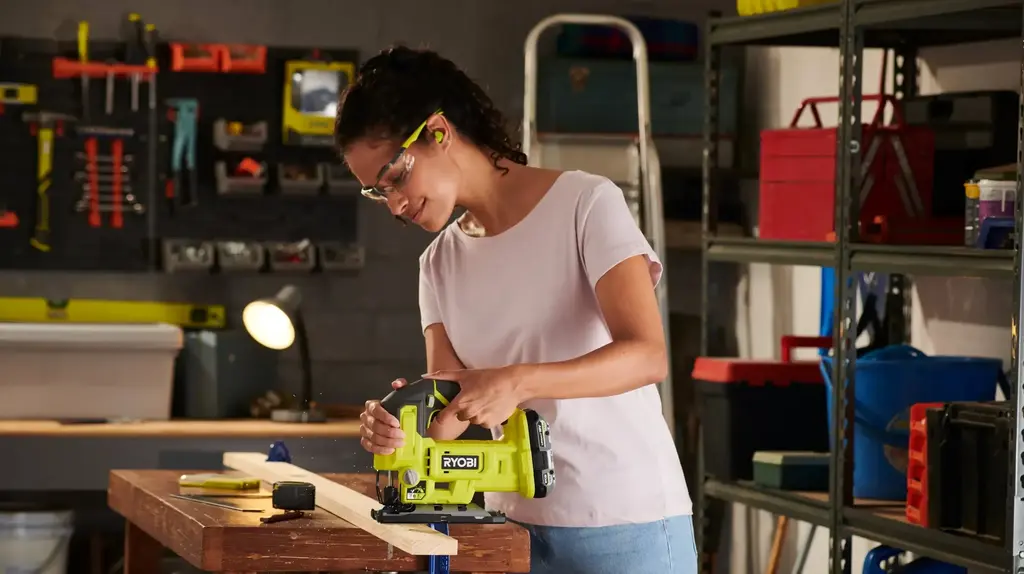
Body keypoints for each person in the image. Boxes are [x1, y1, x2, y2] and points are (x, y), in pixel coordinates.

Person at [337, 46, 695, 574]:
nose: (393, 204)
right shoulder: (438, 263)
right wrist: (401, 424)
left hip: (626, 521)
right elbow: (451, 405)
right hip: (511, 528)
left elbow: (646, 357)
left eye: (395, 176)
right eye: (376, 191)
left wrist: (517, 381)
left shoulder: (586, 205)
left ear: (437, 131)